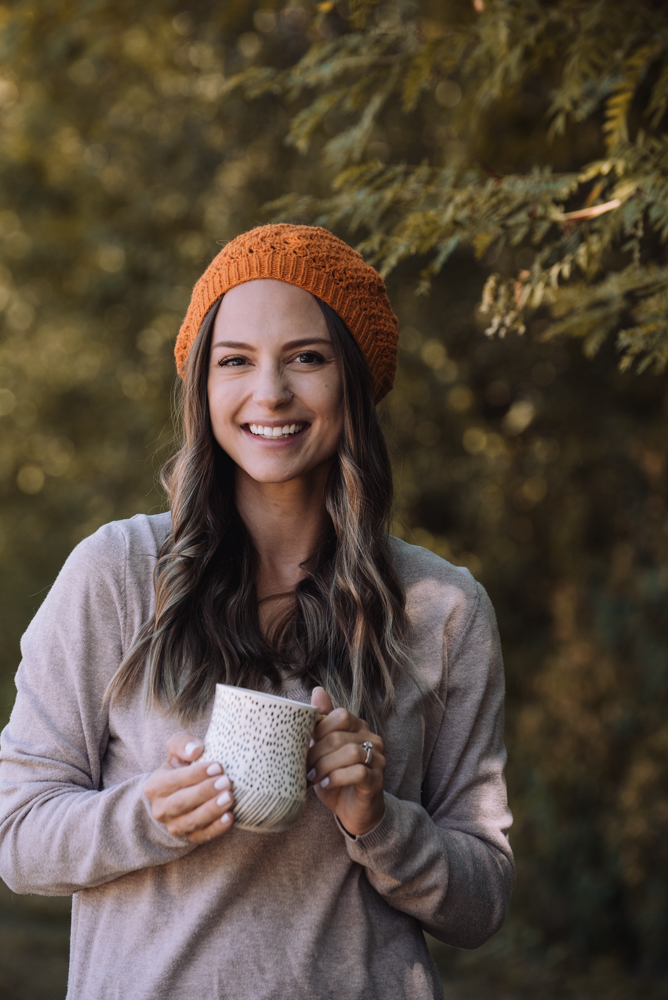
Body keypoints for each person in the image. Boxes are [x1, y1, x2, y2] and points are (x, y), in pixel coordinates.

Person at [0, 224, 513, 1000]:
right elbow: (17, 834)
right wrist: (147, 814)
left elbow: (482, 903)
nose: (269, 393)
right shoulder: (117, 574)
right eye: (234, 361)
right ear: (204, 387)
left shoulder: (440, 609)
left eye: (306, 357)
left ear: (356, 382)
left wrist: (380, 822)